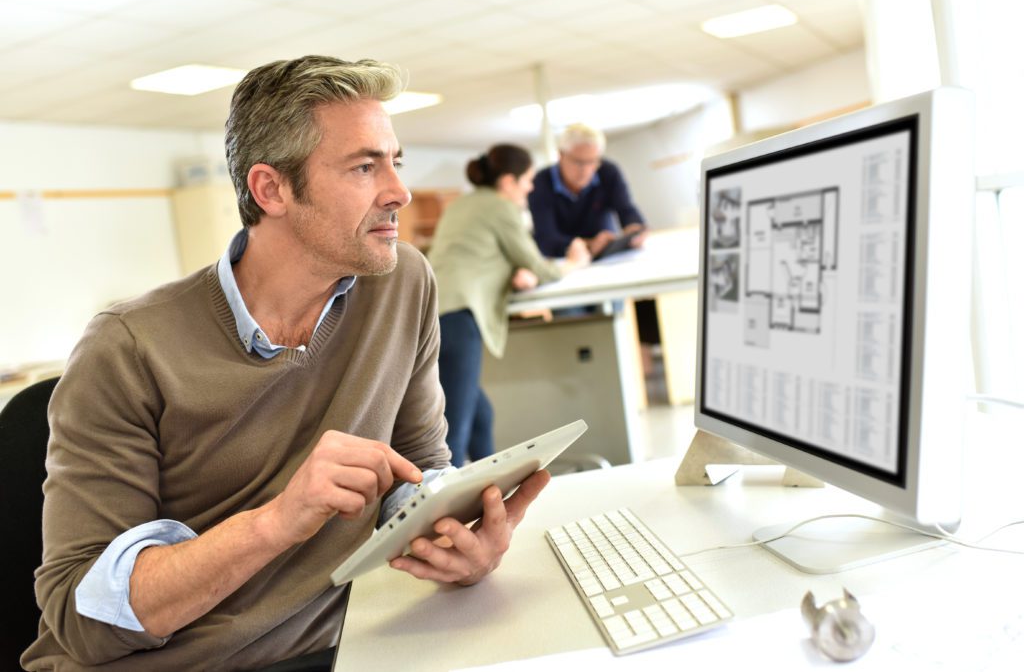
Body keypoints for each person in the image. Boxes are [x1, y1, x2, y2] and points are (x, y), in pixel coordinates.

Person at [23, 56, 551, 672]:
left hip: (341, 647)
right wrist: (276, 522)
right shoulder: (128, 348)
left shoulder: (402, 282)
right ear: (270, 189)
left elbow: (419, 469)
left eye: (394, 161)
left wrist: (458, 540)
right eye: (364, 166)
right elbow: (83, 622)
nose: (399, 191)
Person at [428, 144, 590, 467]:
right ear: (507, 182)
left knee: (480, 416)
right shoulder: (501, 208)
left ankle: (491, 492)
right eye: (526, 180)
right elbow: (540, 266)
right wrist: (574, 263)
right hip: (459, 319)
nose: (530, 187)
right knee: (453, 436)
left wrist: (515, 271)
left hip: (432, 316)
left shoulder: (462, 205)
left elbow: (480, 255)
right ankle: (447, 511)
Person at [528, 122, 648, 259]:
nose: (586, 170)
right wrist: (589, 245)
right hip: (565, 260)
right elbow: (546, 239)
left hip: (608, 255)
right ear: (561, 155)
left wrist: (634, 230)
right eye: (579, 162)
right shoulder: (540, 183)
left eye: (592, 161)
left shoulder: (608, 172)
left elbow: (626, 209)